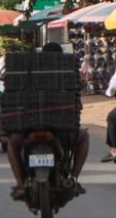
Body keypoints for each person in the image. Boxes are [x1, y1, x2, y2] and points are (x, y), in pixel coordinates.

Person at [5, 42, 90, 200]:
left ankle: (20, 184)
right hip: (62, 132)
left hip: (28, 130)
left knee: (12, 143)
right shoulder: (67, 75)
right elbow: (77, 105)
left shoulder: (26, 75)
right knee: (84, 137)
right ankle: (74, 179)